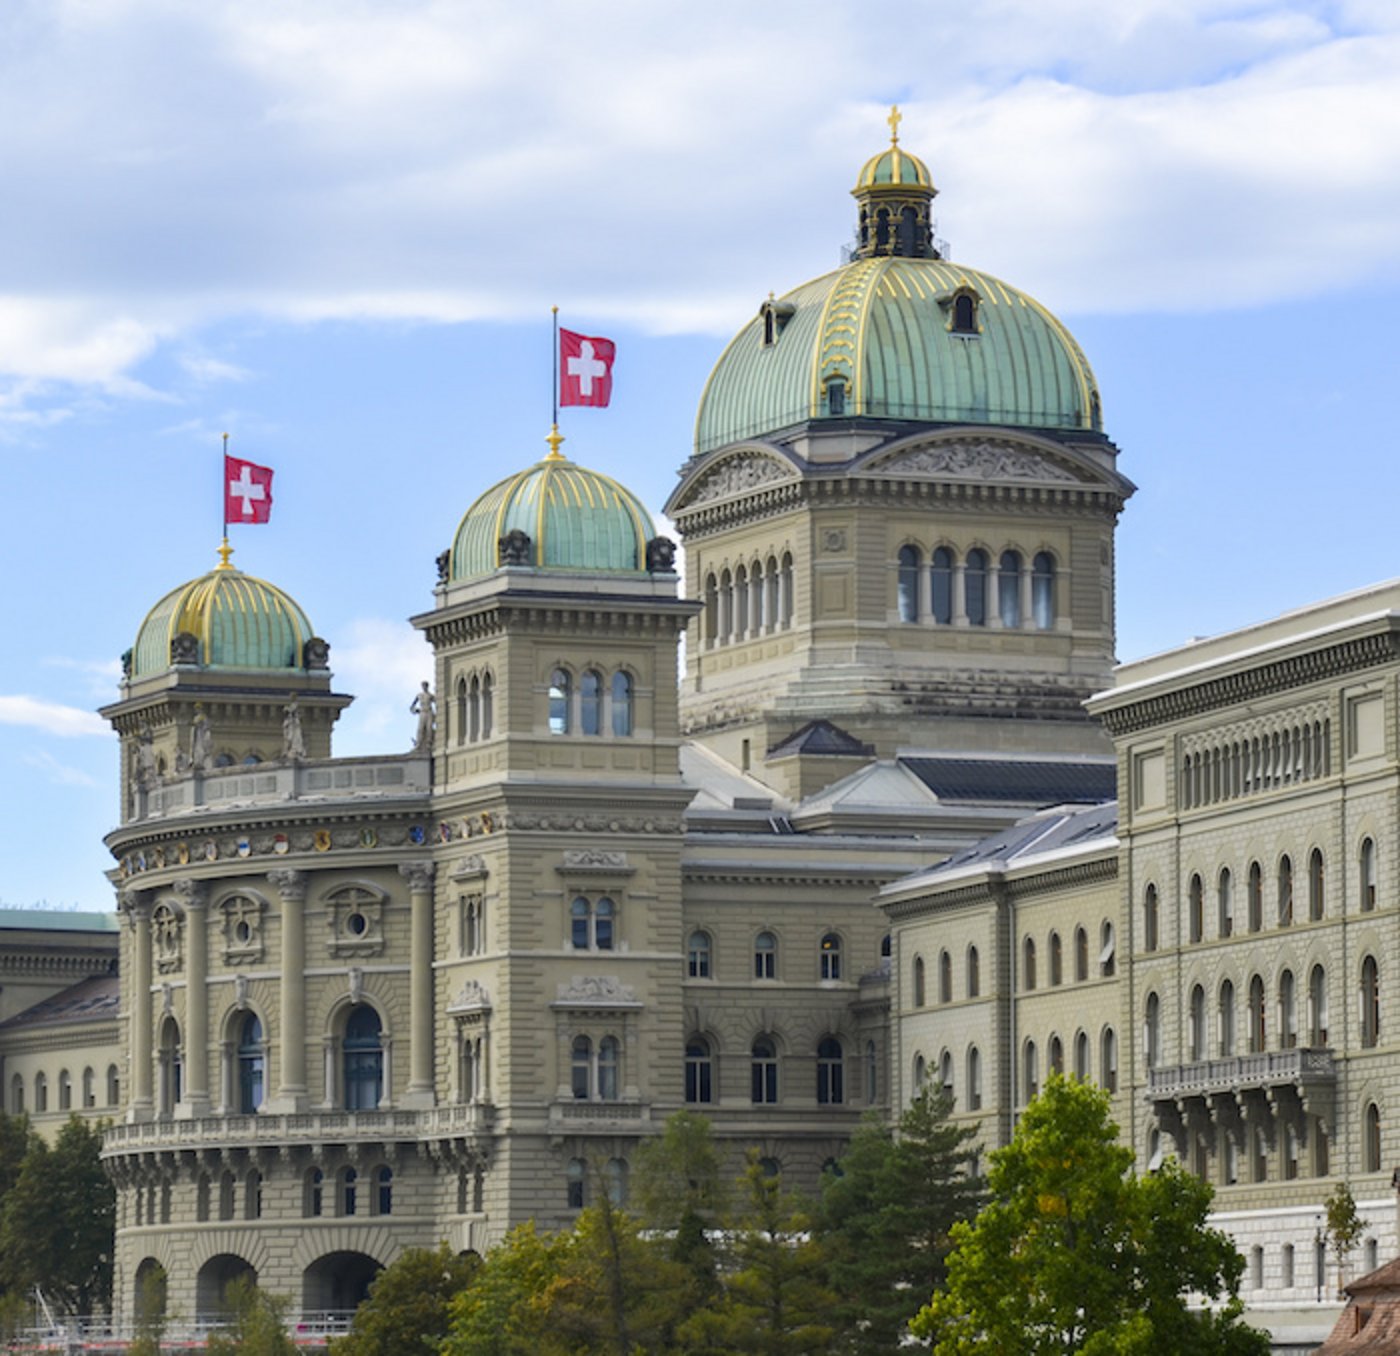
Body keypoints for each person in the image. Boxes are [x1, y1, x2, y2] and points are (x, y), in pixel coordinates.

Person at [411, 681, 436, 751]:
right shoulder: (419, 695)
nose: (424, 687)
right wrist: (415, 710)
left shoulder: (430, 695)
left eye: (425, 686)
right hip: (422, 712)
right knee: (420, 728)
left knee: (429, 728)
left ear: (427, 687)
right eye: (423, 686)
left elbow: (438, 702)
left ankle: (429, 743)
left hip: (429, 712)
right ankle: (419, 743)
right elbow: (412, 706)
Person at [282, 697, 306, 761]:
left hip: (294, 732)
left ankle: (295, 751)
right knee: (291, 739)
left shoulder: (294, 721)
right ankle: (292, 751)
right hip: (292, 732)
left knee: (294, 739)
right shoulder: (289, 721)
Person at [190, 706, 213, 773]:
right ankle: (197, 762)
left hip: (201, 735)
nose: (196, 710)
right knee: (197, 750)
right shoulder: (196, 717)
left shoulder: (203, 716)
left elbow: (206, 725)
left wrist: (199, 725)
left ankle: (200, 763)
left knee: (201, 749)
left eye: (198, 708)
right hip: (197, 735)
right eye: (196, 709)